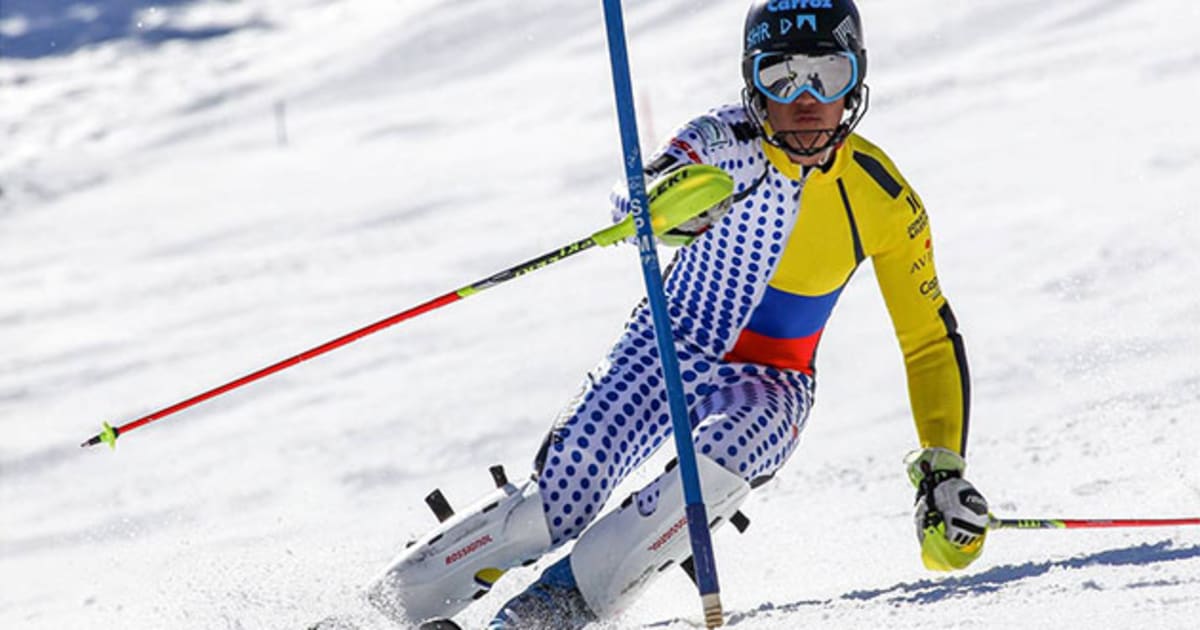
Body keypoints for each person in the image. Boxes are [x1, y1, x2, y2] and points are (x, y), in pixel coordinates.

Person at [367, 1, 990, 628]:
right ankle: (379, 613)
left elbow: (928, 341)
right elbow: (643, 186)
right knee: (556, 502)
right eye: (782, 76)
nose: (805, 99)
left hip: (770, 382)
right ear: (753, 85)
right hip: (667, 343)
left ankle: (538, 619)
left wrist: (942, 467)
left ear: (857, 81)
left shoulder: (881, 197)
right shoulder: (730, 143)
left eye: (828, 74)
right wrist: (660, 204)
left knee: (695, 490)